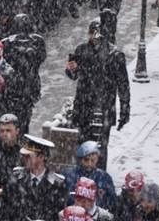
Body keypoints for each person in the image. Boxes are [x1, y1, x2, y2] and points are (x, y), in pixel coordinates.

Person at [65, 19, 130, 164]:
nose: (94, 38)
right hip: (84, 105)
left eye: (97, 35)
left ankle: (98, 176)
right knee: (82, 144)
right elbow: (73, 75)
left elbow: (123, 84)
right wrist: (71, 69)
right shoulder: (81, 50)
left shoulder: (115, 55)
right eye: (92, 34)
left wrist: (125, 108)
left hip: (103, 106)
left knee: (100, 147)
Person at [7, 135, 67, 221]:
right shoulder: (16, 176)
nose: (24, 159)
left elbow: (58, 214)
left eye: (28, 156)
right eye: (24, 156)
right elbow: (9, 207)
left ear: (41, 157)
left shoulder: (57, 182)